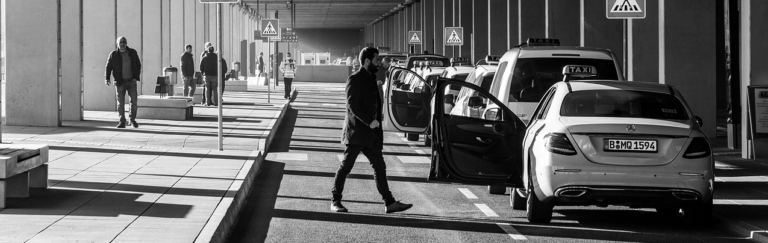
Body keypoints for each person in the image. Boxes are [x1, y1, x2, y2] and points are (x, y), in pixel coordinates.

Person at [331, 47, 413, 214]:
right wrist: (370, 121)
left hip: (371, 135)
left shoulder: (372, 78)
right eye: (376, 60)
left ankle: (389, 203)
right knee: (346, 167)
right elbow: (352, 105)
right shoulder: (354, 79)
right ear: (367, 61)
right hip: (356, 133)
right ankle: (335, 201)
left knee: (379, 166)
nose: (378, 63)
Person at [105, 36, 142, 128]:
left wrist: (136, 77)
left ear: (126, 43)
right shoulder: (113, 54)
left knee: (134, 102)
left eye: (124, 42)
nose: (122, 44)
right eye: (120, 42)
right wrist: (107, 78)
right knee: (120, 103)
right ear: (117, 43)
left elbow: (138, 65)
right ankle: (122, 121)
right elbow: (108, 67)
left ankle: (132, 120)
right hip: (119, 82)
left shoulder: (132, 52)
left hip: (131, 81)